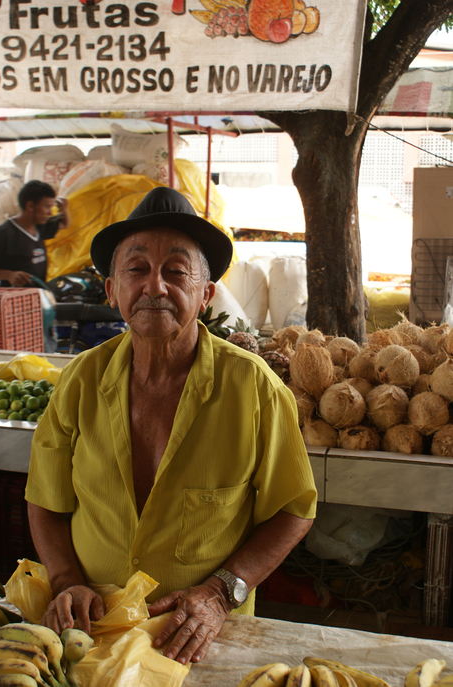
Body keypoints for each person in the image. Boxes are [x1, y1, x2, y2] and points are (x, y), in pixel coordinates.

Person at [25, 187, 317, 666]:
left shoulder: (254, 388)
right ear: (112, 290)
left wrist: (222, 593)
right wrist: (65, 581)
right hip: (92, 631)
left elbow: (294, 510)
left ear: (205, 295)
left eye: (176, 272)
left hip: (200, 638)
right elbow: (46, 501)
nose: (155, 287)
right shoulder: (79, 381)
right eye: (136, 269)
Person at [0, 180, 69, 286]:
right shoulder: (4, 234)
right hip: (14, 299)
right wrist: (9, 275)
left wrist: (64, 209)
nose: (50, 212)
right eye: (47, 207)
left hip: (39, 296)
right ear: (30, 206)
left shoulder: (40, 227)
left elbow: (64, 224)